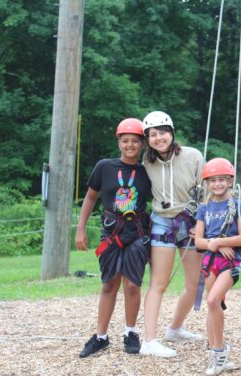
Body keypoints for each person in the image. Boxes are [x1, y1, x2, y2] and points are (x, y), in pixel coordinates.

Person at [75, 118, 152, 358]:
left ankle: (130, 332)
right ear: (119, 141)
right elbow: (90, 198)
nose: (130, 145)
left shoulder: (148, 171)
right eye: (125, 140)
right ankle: (101, 337)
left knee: (132, 284)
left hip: (138, 232)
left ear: (142, 144)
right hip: (112, 232)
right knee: (109, 283)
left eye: (135, 141)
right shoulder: (105, 167)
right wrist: (81, 228)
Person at [139, 111, 205, 357]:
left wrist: (201, 223)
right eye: (153, 134)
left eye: (163, 132)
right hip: (162, 222)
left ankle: (175, 329)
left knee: (193, 284)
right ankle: (150, 340)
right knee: (159, 282)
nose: (159, 138)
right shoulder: (146, 162)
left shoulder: (193, 156)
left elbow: (207, 191)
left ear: (172, 133)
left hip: (190, 221)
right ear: (148, 139)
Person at [194, 158, 241, 375]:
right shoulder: (204, 209)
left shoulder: (238, 206)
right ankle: (217, 353)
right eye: (213, 180)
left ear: (229, 181)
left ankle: (218, 352)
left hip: (230, 262)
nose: (217, 184)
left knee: (213, 299)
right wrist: (214, 244)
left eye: (222, 180)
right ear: (207, 183)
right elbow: (198, 241)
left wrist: (220, 242)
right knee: (213, 305)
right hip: (210, 261)